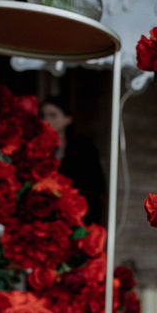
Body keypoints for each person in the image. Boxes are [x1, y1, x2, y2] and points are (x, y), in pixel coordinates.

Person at [39, 96, 107, 225]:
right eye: (43, 116)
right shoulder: (36, 148)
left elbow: (95, 186)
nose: (47, 120)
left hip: (76, 216)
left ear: (67, 119)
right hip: (44, 216)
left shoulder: (82, 148)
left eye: (53, 115)